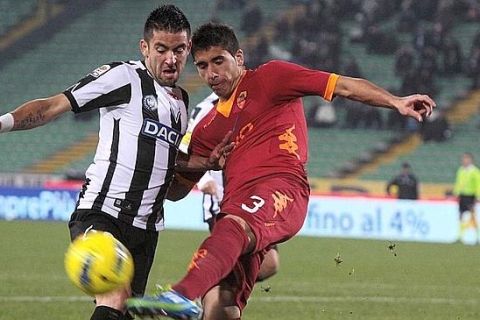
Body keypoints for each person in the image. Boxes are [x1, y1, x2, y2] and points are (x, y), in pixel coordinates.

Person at [127, 22, 435, 320]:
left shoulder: (272, 77)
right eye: (203, 65)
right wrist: (163, 165)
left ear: (239, 58)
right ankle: (197, 298)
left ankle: (180, 294)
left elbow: (341, 86)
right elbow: (177, 190)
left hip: (282, 188)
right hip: (239, 204)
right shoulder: (208, 129)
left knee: (230, 227)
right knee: (221, 301)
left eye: (218, 61)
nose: (211, 73)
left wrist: (395, 101)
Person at [0, 5, 196, 320]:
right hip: (103, 215)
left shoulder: (182, 105)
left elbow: (171, 188)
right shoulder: (124, 77)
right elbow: (52, 106)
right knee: (115, 296)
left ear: (188, 49)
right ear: (144, 48)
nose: (171, 59)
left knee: (119, 311)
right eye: (161, 49)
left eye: (179, 49)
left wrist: (205, 166)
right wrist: (2, 123)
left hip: (145, 230)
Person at [180, 92, 280, 282]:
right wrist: (202, 181)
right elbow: (186, 147)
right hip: (222, 199)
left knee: (267, 264)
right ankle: (193, 291)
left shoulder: (254, 101)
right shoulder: (206, 108)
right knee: (242, 259)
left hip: (253, 198)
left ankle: (202, 289)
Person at [454, 152, 480, 242]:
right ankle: (460, 236)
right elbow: (458, 182)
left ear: (471, 160)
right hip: (462, 195)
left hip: (471, 196)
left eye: (466, 158)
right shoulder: (461, 170)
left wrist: (478, 196)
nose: (464, 160)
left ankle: (477, 236)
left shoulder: (475, 171)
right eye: (463, 158)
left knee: (472, 216)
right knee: (461, 215)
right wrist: (456, 193)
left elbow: (478, 184)